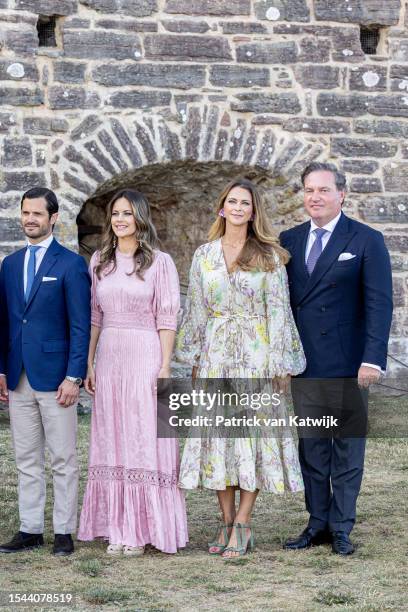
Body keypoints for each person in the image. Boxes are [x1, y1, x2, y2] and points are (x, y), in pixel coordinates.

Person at [175, 178, 306, 559]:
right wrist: (194, 356)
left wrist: (281, 363)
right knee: (220, 437)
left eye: (244, 203)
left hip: (257, 354)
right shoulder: (204, 255)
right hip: (216, 355)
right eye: (231, 201)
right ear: (221, 207)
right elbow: (196, 308)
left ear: (253, 211)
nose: (237, 208)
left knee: (252, 436)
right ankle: (225, 519)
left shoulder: (269, 255)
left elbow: (279, 311)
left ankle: (244, 522)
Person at [280, 162, 393, 555]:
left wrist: (373, 359)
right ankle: (318, 523)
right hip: (305, 364)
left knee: (346, 449)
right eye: (309, 190)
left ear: (341, 194)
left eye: (323, 190)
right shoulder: (289, 240)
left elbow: (380, 304)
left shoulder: (365, 239)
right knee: (312, 448)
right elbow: (282, 305)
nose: (315, 197)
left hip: (349, 364)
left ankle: (342, 527)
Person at [77, 189, 188, 556]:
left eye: (127, 213)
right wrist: (89, 363)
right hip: (110, 355)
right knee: (113, 435)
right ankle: (117, 527)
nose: (120, 219)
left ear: (140, 217)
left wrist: (165, 366)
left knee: (145, 436)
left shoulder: (160, 262)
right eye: (115, 213)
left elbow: (167, 317)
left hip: (145, 355)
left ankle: (145, 529)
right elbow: (94, 316)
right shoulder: (99, 261)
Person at [0, 187, 91, 556]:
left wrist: (74, 377)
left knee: (62, 459)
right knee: (25, 458)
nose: (30, 219)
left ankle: (64, 533)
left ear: (53, 218)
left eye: (37, 213)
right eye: (25, 213)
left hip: (57, 381)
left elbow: (80, 326)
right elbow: (5, 323)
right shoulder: (9, 264)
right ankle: (30, 529)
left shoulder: (70, 264)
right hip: (18, 377)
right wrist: (1, 371)